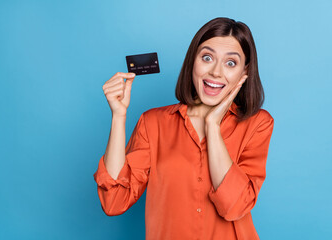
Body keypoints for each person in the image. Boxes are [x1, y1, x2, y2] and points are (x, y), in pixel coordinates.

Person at [93, 17, 274, 240]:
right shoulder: (153, 123)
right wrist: (119, 116)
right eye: (207, 58)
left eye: (230, 63)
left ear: (244, 73)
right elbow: (114, 202)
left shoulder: (258, 123)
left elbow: (235, 207)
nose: (216, 72)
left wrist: (212, 126)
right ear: (193, 62)